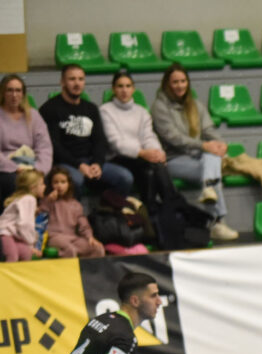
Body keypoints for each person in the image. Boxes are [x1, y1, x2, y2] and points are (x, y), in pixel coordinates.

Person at [151, 64, 237, 242]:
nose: (180, 85)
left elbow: (208, 130)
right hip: (173, 160)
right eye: (175, 82)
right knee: (212, 168)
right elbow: (173, 138)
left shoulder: (195, 105)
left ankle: (209, 192)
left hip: (198, 157)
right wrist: (204, 145)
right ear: (167, 84)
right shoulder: (159, 106)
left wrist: (221, 145)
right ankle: (218, 220)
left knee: (212, 158)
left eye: (183, 81)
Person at [39, 64, 134, 197]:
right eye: (72, 79)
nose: (77, 83)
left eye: (81, 79)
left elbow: (100, 141)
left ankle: (109, 208)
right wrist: (79, 165)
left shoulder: (91, 108)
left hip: (90, 161)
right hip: (64, 163)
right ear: (62, 82)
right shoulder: (49, 109)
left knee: (125, 177)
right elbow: (54, 146)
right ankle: (75, 210)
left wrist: (97, 163)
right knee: (76, 180)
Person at [100, 71, 179, 215]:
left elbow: (148, 136)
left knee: (154, 166)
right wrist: (142, 153)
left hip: (140, 158)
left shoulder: (141, 112)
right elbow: (116, 142)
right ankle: (172, 206)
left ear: (133, 89)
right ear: (113, 89)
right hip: (117, 158)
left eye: (128, 86)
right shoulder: (105, 111)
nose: (124, 90)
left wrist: (157, 152)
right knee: (152, 166)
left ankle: (154, 211)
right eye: (120, 86)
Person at [0, 74, 52, 201]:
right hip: (6, 167)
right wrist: (15, 168)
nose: (14, 95)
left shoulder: (33, 115)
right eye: (10, 90)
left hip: (31, 164)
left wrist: (39, 169)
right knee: (13, 183)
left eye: (18, 90)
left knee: (46, 182)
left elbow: (44, 146)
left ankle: (38, 213)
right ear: (3, 93)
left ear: (23, 94)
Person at [42, 168, 104, 258]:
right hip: (54, 237)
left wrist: (90, 237)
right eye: (56, 182)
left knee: (97, 248)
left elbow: (83, 224)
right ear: (51, 185)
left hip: (72, 237)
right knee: (70, 250)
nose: (59, 186)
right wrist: (48, 201)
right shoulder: (47, 201)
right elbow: (40, 214)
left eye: (63, 182)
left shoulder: (75, 204)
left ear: (69, 184)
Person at [0, 169, 47, 261]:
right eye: (42, 184)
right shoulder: (29, 199)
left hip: (13, 235)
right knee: (12, 256)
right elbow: (24, 224)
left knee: (25, 253)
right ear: (33, 187)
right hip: (5, 234)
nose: (45, 186)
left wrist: (30, 248)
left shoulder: (24, 198)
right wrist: (31, 242)